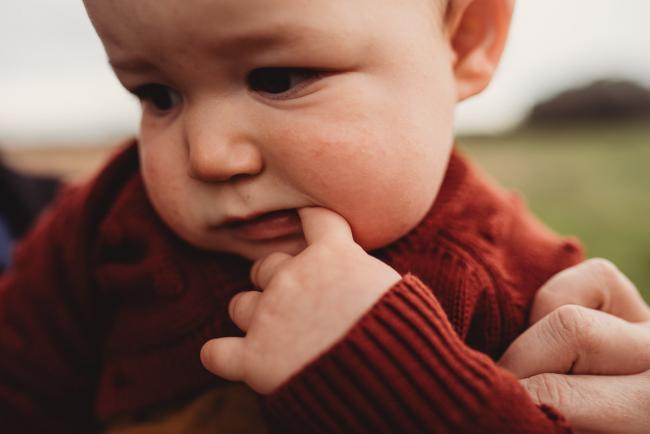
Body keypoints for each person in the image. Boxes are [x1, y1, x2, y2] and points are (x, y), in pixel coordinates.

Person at [2, 0, 649, 433]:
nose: (208, 154)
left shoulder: (532, 291)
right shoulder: (105, 221)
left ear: (465, 40)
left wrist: (390, 374)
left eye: (278, 79)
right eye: (157, 94)